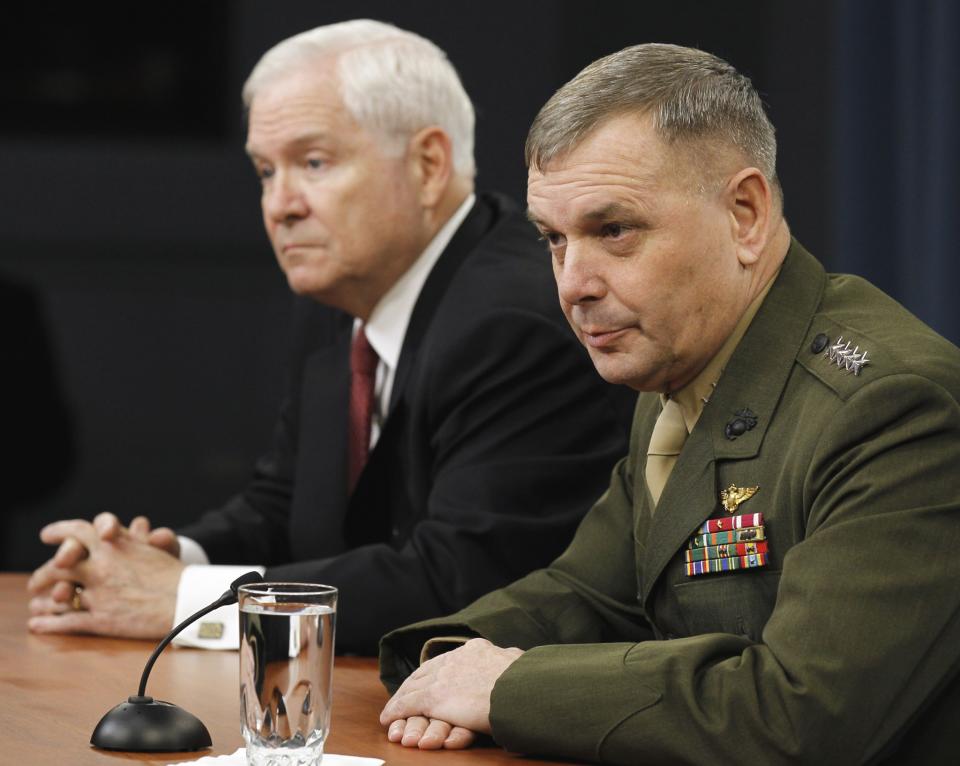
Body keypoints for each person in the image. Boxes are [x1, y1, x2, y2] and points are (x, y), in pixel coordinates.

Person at [377, 43, 960, 762]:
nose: (573, 284)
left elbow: (801, 717)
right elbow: (592, 595)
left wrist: (507, 687)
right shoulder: (679, 369)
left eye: (612, 230)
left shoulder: (895, 408)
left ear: (745, 214)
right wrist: (446, 660)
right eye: (554, 240)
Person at [25, 20, 635, 655]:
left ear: (428, 165)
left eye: (313, 163)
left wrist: (182, 601)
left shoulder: (513, 321)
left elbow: (461, 582)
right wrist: (158, 557)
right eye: (265, 171)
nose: (280, 204)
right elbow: (283, 502)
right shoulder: (342, 291)